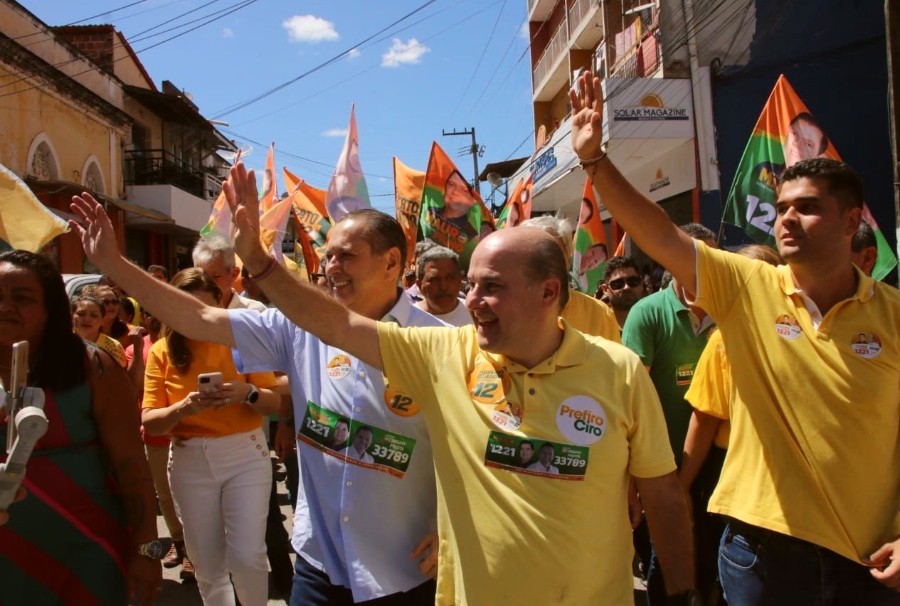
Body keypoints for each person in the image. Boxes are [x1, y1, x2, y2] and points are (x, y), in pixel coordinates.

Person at [152, 163, 696, 604]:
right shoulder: (447, 350)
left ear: (550, 292)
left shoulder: (616, 368)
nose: (472, 301)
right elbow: (333, 324)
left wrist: (681, 591)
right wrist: (251, 258)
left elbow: (662, 491)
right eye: (471, 284)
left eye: (491, 287)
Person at [571, 69, 900, 604]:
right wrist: (594, 160)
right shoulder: (747, 286)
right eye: (783, 207)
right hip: (761, 553)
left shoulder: (893, 315)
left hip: (871, 560)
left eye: (809, 207)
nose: (787, 218)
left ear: (852, 220)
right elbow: (659, 233)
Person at [71, 196, 443, 606]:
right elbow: (199, 319)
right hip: (320, 565)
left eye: (347, 256)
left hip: (405, 570)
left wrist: (450, 525)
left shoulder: (439, 344)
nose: (332, 267)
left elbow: (470, 450)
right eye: (328, 255)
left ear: (391, 262)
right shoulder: (297, 328)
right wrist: (114, 263)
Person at [0, 250, 161, 605]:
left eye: (22, 298)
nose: (5, 307)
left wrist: (147, 552)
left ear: (51, 309)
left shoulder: (94, 367)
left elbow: (132, 466)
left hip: (85, 552)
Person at [141, 268, 280, 606]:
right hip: (190, 460)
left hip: (244, 455)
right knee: (207, 563)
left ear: (218, 305)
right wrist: (182, 410)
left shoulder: (241, 341)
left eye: (203, 308)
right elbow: (150, 423)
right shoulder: (162, 351)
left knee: (248, 557)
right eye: (186, 307)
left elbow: (274, 403)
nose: (195, 317)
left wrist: (247, 392)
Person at [621, 223, 719, 606]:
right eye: (692, 258)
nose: (702, 269)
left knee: (711, 558)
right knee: (667, 563)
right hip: (661, 466)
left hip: (721, 463)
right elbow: (631, 399)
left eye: (712, 258)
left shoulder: (733, 307)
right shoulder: (647, 314)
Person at [125, 305, 194, 579]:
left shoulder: (186, 343)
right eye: (149, 313)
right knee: (164, 496)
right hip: (155, 434)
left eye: (159, 311)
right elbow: (137, 387)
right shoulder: (136, 347)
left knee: (190, 497)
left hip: (186, 433)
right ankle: (180, 545)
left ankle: (194, 551)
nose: (155, 317)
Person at [520, 215, 621, 343]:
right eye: (535, 255)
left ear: (568, 261)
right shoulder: (502, 312)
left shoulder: (599, 314)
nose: (545, 263)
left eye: (553, 254)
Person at [192, 234, 267, 311]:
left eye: (216, 276)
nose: (207, 282)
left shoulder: (254, 312)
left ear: (234, 274)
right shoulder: (188, 309)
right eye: (202, 276)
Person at [414, 246, 471, 327]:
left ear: (460, 281)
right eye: (434, 279)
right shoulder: (406, 320)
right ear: (419, 285)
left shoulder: (475, 314)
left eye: (450, 278)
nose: (443, 286)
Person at [601, 256, 645, 330]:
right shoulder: (596, 326)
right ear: (605, 289)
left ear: (641, 285)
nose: (627, 287)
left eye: (633, 281)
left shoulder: (657, 324)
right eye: (618, 283)